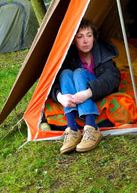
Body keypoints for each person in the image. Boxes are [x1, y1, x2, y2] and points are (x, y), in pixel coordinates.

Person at [50, 18, 120, 154]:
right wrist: (60, 97)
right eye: (80, 37)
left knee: (79, 73)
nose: (86, 41)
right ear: (73, 40)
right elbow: (53, 81)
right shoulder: (68, 55)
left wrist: (88, 93)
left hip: (96, 89)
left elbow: (113, 78)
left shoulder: (102, 50)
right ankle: (73, 130)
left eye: (89, 35)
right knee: (64, 73)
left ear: (94, 37)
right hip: (75, 94)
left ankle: (91, 127)